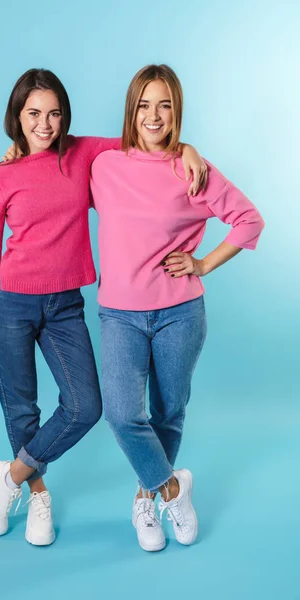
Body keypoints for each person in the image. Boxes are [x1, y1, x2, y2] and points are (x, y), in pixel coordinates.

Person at [0, 67, 207, 547]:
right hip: (9, 301)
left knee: (85, 405)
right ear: (17, 116)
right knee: (21, 408)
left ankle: (6, 478)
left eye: (54, 113)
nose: (45, 124)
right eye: (33, 114)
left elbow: (143, 141)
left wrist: (188, 148)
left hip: (64, 305)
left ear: (65, 117)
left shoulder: (82, 153)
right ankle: (35, 491)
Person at [90, 64, 265, 552]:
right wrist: (18, 151)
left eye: (164, 104)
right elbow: (55, 162)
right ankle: (171, 489)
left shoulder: (192, 169)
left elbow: (250, 221)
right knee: (123, 413)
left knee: (169, 412)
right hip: (120, 315)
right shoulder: (103, 166)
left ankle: (144, 498)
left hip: (180, 314)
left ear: (177, 111)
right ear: (131, 110)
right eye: (144, 104)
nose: (153, 114)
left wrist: (204, 263)